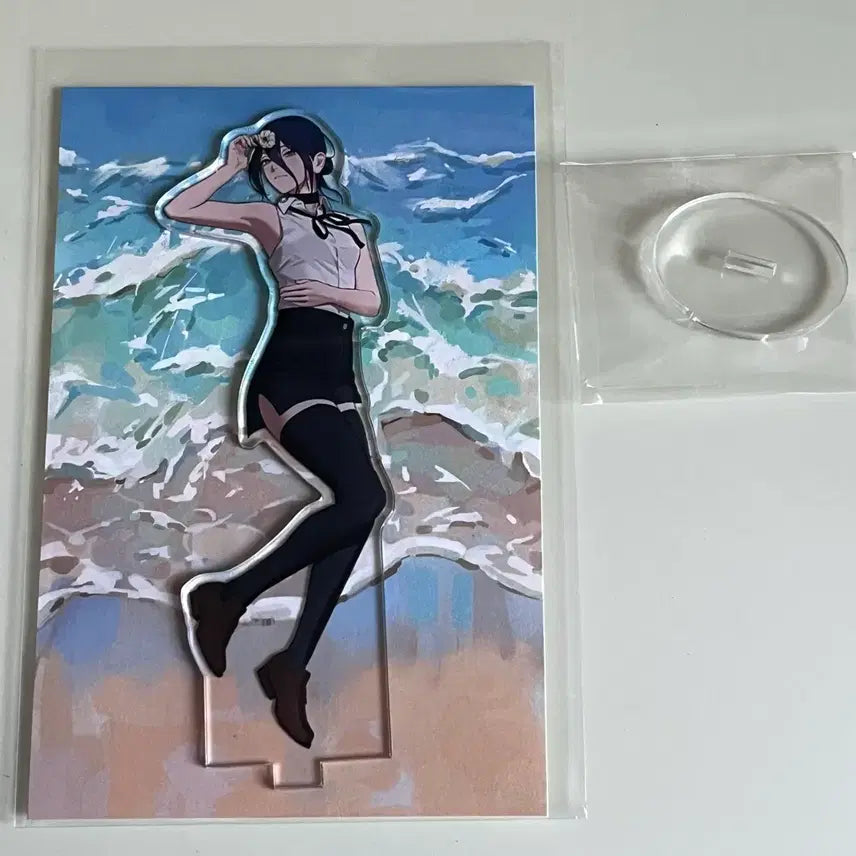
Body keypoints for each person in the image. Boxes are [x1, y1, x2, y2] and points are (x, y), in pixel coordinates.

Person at [162, 114, 389, 749]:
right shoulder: (270, 218)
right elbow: (180, 208)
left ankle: (290, 662)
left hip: (338, 375)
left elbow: (371, 302)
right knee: (364, 500)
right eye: (268, 164)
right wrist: (231, 166)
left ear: (317, 160)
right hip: (288, 373)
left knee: (358, 510)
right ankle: (227, 599)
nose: (274, 171)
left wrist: (314, 285)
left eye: (284, 159)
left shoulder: (353, 227)